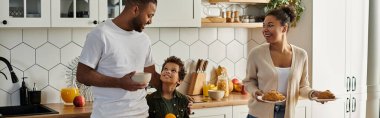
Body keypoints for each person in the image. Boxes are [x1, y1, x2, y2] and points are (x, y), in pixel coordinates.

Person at [242, 6, 332, 118]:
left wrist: (313, 94)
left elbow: (303, 86)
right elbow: (248, 82)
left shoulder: (301, 55)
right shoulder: (256, 54)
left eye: (270, 25)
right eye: (264, 25)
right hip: (258, 114)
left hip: (286, 114)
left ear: (284, 28)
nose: (265, 29)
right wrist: (256, 92)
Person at [76, 0, 161, 117]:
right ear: (136, 9)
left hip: (141, 114)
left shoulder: (144, 40)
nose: (150, 21)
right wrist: (120, 83)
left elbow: (152, 75)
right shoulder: (100, 34)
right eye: (149, 15)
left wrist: (179, 97)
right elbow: (82, 75)